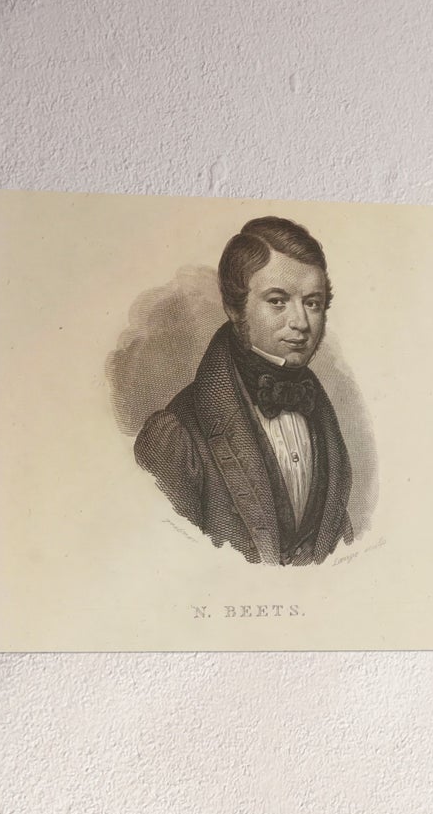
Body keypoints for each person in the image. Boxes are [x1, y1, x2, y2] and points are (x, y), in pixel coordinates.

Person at [135, 216, 355, 566]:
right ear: (235, 308)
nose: (301, 322)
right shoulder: (176, 435)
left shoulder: (324, 419)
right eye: (278, 301)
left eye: (313, 302)